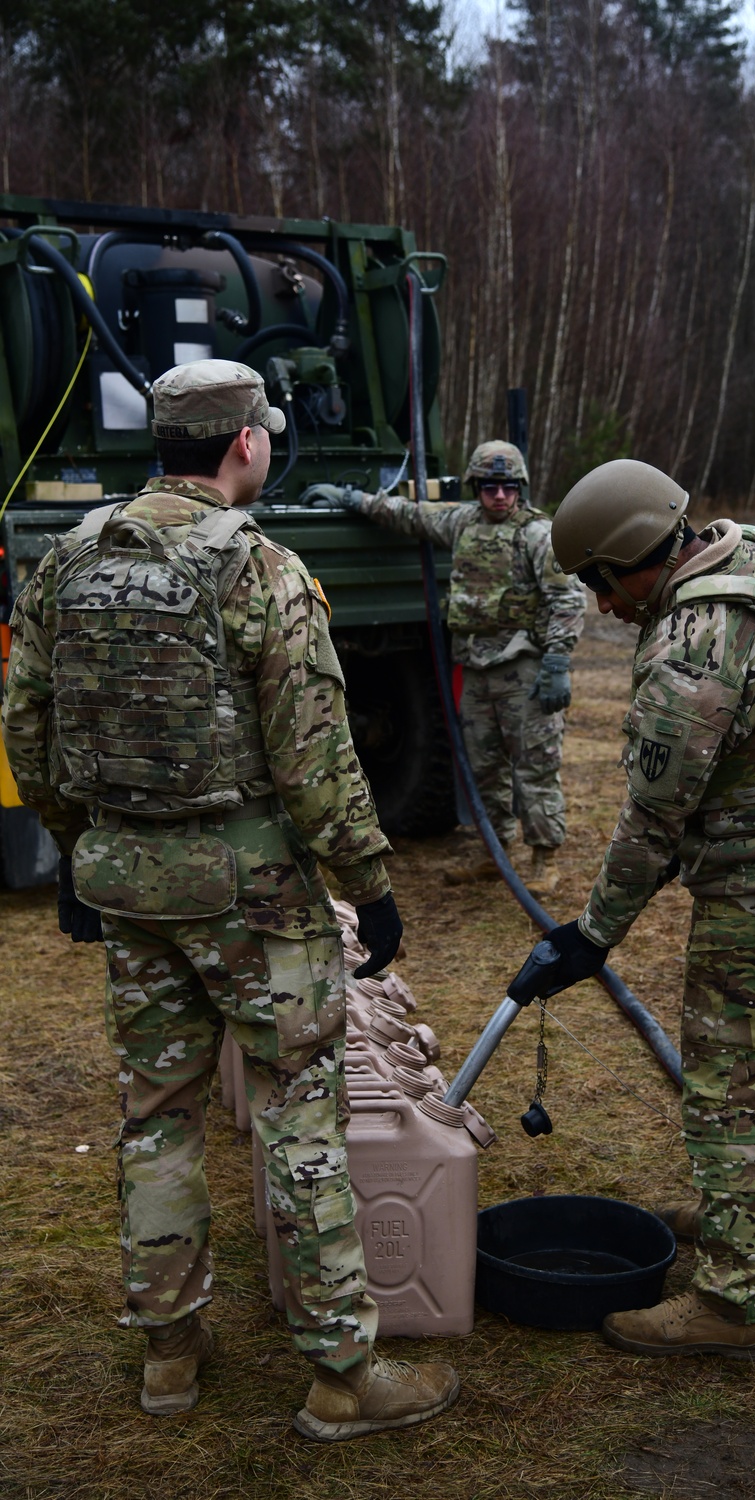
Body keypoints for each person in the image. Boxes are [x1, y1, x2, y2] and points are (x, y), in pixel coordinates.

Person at [0, 359, 459, 1440]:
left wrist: (79, 851)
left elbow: (27, 728)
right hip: (250, 893)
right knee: (302, 1117)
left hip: (127, 881)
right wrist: (368, 884)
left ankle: (170, 1356)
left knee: (155, 1114)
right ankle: (343, 1372)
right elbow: (314, 756)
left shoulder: (67, 560)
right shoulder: (261, 568)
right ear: (245, 443)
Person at [506, 458, 755, 1360]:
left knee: (729, 1078)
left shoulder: (694, 644)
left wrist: (592, 936)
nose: (601, 606)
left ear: (634, 558)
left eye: (600, 584)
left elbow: (655, 820)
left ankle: (735, 1300)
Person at [332, 441, 587, 896]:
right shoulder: (463, 523)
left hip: (523, 669)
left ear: (520, 488)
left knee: (535, 765)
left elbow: (566, 598)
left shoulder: (537, 534)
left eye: (509, 487)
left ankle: (544, 859)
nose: (500, 497)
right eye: (490, 487)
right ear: (477, 488)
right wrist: (353, 500)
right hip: (475, 668)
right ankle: (496, 853)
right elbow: (410, 516)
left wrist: (556, 661)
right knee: (485, 768)